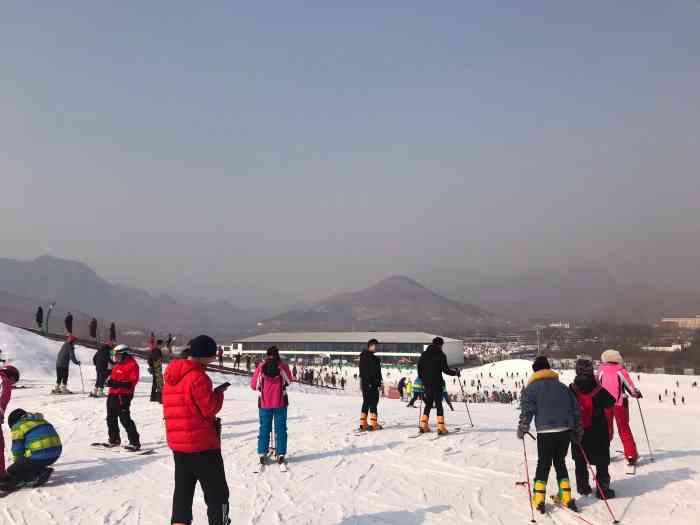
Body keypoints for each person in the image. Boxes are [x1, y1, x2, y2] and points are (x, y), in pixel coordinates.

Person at [162, 334, 231, 525]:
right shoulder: (198, 377)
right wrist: (218, 394)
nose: (214, 358)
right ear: (204, 356)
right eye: (212, 355)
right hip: (202, 446)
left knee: (183, 494)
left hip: (179, 446)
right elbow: (209, 409)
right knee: (217, 494)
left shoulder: (171, 376)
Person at [517, 356, 581, 513]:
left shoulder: (531, 388)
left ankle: (539, 498)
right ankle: (566, 496)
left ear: (535, 371)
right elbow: (575, 408)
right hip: (565, 431)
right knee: (560, 461)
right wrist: (576, 428)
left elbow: (527, 409)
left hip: (545, 432)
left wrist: (523, 426)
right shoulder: (562, 387)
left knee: (544, 463)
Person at [569, 359, 616, 499]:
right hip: (598, 430)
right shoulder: (598, 388)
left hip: (579, 430)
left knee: (580, 460)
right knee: (602, 461)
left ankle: (583, 488)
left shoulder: (571, 388)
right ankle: (603, 490)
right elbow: (610, 402)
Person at [597, 350, 642, 466]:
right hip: (620, 404)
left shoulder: (601, 369)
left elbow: (597, 386)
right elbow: (629, 386)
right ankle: (631, 455)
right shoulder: (620, 370)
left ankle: (602, 454)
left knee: (605, 430)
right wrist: (636, 393)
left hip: (605, 404)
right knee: (624, 429)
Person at [0, 409, 61, 490]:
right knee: (32, 462)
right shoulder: (40, 420)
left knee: (12, 470)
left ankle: (18, 481)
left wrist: (18, 465)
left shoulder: (18, 426)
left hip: (41, 455)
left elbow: (17, 449)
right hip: (56, 454)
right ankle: (41, 471)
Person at [251, 346, 292, 466]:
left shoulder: (261, 367)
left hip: (264, 402)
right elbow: (289, 381)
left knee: (264, 427)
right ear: (278, 355)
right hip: (280, 402)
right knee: (281, 429)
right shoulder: (283, 366)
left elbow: (254, 386)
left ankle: (262, 453)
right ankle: (280, 453)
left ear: (267, 355)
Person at [417, 338, 459, 434]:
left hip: (426, 383)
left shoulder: (424, 354)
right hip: (437, 383)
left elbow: (419, 367)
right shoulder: (441, 355)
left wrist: (422, 378)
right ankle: (440, 427)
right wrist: (455, 373)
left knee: (428, 403)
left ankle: (423, 425)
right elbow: (445, 370)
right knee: (438, 404)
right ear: (440, 345)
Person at [104, 345, 140, 450]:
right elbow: (112, 378)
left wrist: (117, 383)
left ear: (124, 354)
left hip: (123, 395)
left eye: (118, 355)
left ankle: (134, 442)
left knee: (125, 419)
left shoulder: (132, 365)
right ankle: (114, 439)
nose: (115, 358)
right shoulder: (117, 365)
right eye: (114, 355)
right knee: (110, 418)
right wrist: (109, 381)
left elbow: (132, 382)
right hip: (112, 394)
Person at [0, 365, 20, 477]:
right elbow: (3, 397)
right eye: (14, 380)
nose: (12, 383)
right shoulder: (4, 380)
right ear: (11, 375)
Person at [359, 339, 382, 431]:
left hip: (366, 383)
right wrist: (373, 383)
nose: (377, 348)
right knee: (373, 402)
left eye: (377, 346)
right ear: (370, 346)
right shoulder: (370, 357)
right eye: (375, 346)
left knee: (366, 402)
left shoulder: (364, 356)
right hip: (371, 383)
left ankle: (363, 423)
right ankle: (373, 423)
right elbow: (370, 372)